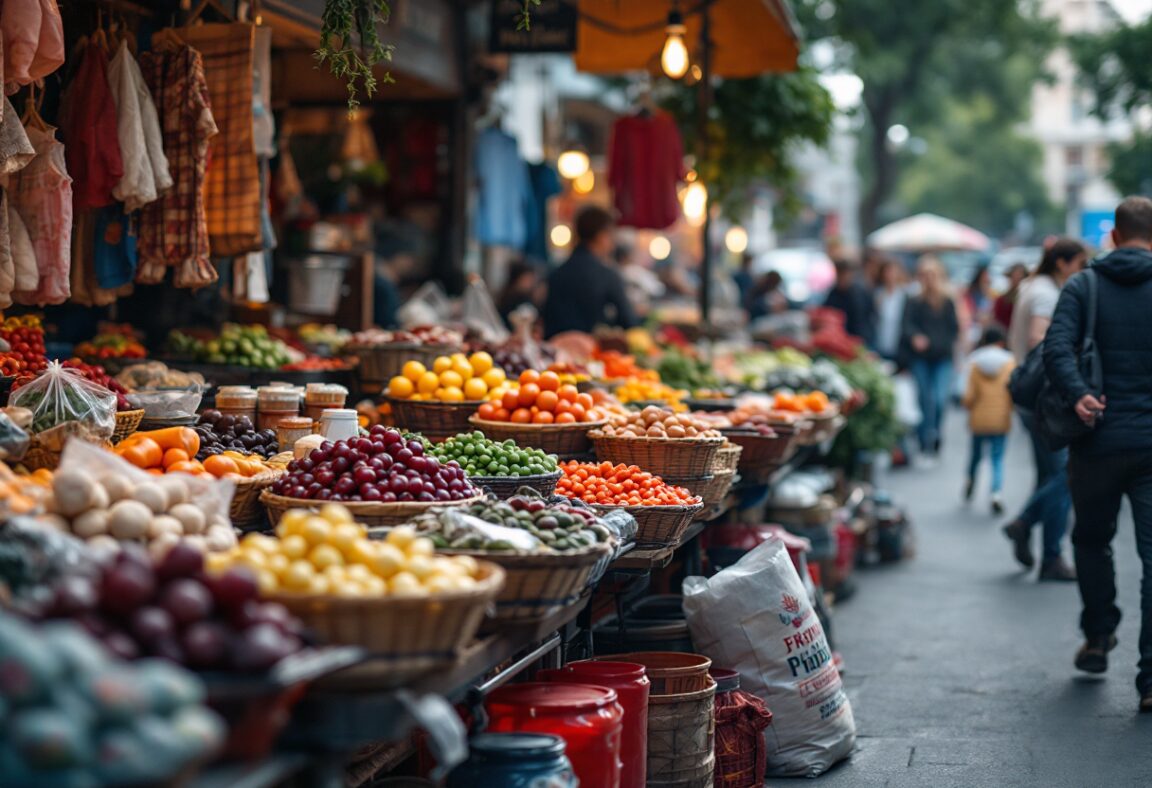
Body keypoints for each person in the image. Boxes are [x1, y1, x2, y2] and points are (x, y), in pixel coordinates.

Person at [1044, 196, 1152, 711]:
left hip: (1097, 438)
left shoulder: (1083, 285)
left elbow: (1055, 348)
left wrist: (1079, 392)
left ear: (1113, 236)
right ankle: (1151, 679)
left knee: (1091, 541)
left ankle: (1099, 634)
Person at [1001, 239, 1087, 581]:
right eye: (1079, 263)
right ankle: (1034, 534)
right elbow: (1040, 338)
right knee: (1065, 476)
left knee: (1049, 475)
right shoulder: (1047, 294)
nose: (1081, 271)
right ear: (1063, 263)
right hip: (1043, 397)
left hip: (1029, 393)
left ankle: (1043, 546)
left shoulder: (1034, 286)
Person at [542, 206, 638, 338]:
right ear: (601, 236)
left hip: (554, 350)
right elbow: (628, 321)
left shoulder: (555, 272)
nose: (613, 243)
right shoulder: (607, 275)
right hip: (591, 354)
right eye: (612, 235)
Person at [900, 256, 959, 460]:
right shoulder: (913, 301)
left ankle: (934, 432)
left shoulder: (947, 301)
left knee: (940, 399)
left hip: (942, 357)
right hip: (921, 358)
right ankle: (925, 437)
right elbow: (906, 326)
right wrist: (915, 337)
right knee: (925, 398)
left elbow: (954, 329)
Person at [961, 326, 1016, 514]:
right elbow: (1013, 392)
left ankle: (970, 481)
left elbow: (968, 396)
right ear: (1001, 342)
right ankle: (996, 493)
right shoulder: (1010, 363)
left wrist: (969, 407)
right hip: (1000, 419)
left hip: (979, 419)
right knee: (997, 458)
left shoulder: (974, 363)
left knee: (975, 456)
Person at [824, 259, 875, 345]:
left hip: (860, 339)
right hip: (838, 340)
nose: (843, 278)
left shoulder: (860, 293)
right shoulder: (833, 293)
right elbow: (827, 312)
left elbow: (867, 316)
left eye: (846, 274)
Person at [873, 258, 908, 361]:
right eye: (887, 271)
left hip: (899, 344)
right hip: (881, 343)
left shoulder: (905, 294)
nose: (890, 275)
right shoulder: (878, 294)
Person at [496, 259, 542, 326]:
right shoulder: (511, 298)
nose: (530, 283)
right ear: (517, 279)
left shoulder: (526, 297)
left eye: (531, 279)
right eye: (527, 279)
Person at [962, 264, 996, 349]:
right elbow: (969, 312)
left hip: (987, 325)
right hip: (974, 326)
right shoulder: (971, 293)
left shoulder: (991, 294)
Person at [993, 263, 1030, 329]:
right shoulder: (1001, 300)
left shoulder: (1027, 297)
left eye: (1020, 277)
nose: (1017, 278)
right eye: (1014, 276)